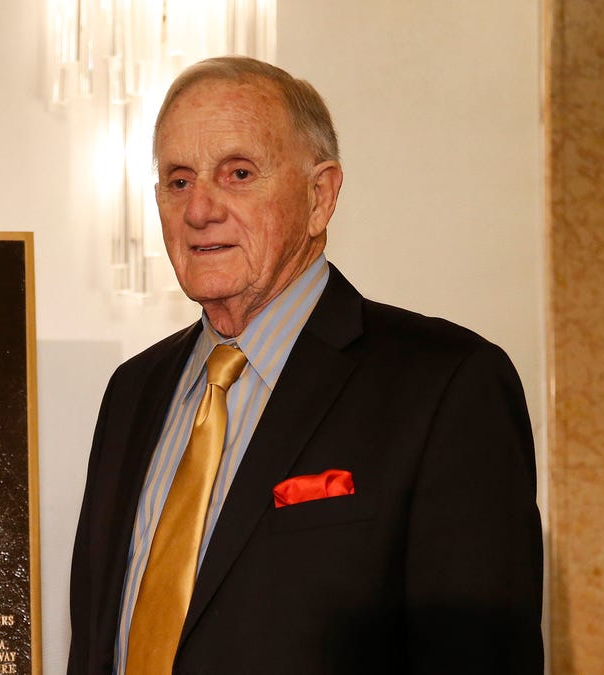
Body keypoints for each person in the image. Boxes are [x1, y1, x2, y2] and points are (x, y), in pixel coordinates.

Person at [68, 57, 542, 674]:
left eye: (237, 173)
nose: (200, 209)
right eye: (178, 180)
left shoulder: (446, 386)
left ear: (320, 196)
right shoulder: (133, 392)